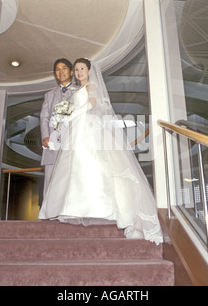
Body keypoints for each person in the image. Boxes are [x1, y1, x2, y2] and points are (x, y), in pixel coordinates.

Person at [38, 58, 164, 244]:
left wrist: (71, 114)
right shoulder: (77, 90)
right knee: (74, 167)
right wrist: (65, 119)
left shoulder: (91, 86)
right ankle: (74, 206)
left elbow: (94, 105)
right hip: (75, 130)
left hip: (88, 129)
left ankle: (102, 207)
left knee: (91, 163)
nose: (80, 72)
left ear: (89, 71)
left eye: (82, 69)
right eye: (78, 69)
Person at [39, 58, 75, 200]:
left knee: (71, 176)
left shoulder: (80, 91)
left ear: (71, 71)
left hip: (73, 142)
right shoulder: (49, 95)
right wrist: (45, 136)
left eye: (64, 68)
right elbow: (44, 117)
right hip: (53, 142)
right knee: (51, 177)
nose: (61, 72)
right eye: (57, 69)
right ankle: (49, 213)